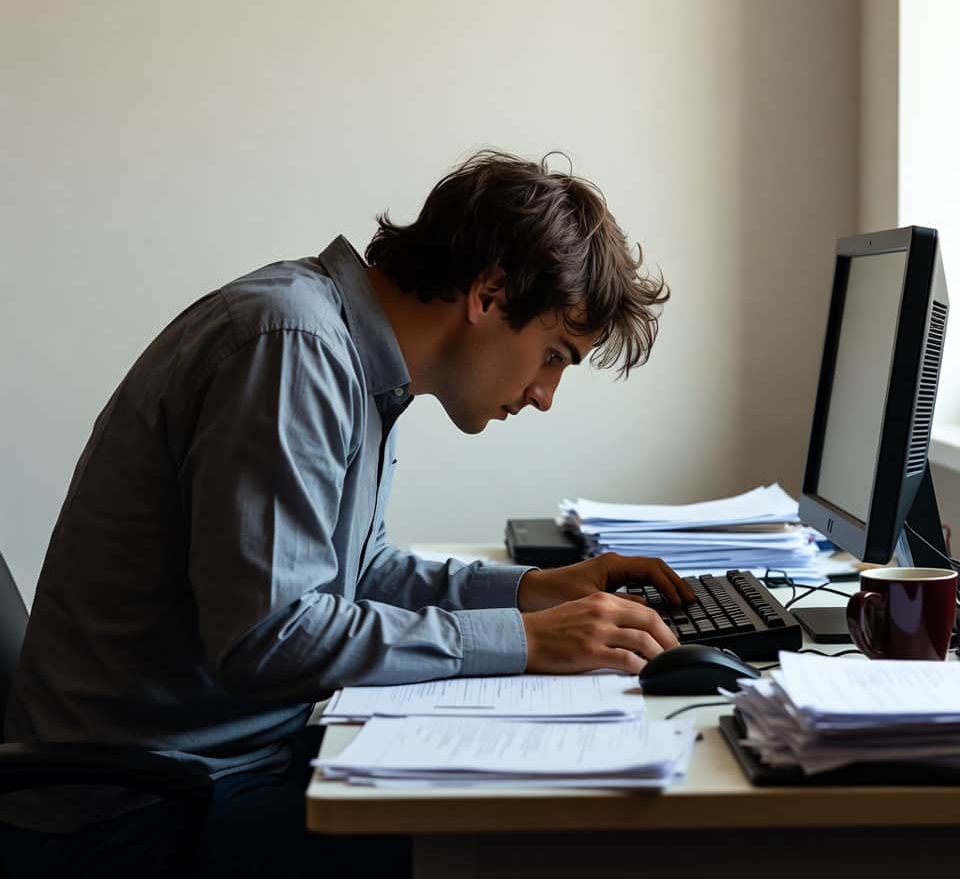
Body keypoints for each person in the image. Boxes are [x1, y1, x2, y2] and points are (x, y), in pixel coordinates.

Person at [0, 150, 695, 877]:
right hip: (132, 815)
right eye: (553, 355)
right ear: (489, 294)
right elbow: (267, 636)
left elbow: (353, 572)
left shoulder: (348, 357)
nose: (544, 395)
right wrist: (523, 640)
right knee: (523, 844)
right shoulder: (292, 348)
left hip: (220, 761)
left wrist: (532, 591)